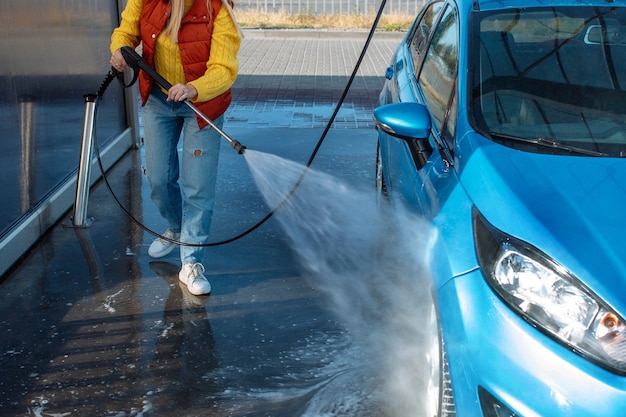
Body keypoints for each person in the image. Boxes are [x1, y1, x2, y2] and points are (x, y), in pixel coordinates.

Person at [109, 0, 242, 295]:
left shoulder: (217, 8)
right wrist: (119, 50)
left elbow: (224, 68)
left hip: (202, 103)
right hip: (159, 100)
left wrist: (194, 88)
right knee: (158, 177)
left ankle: (191, 261)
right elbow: (125, 31)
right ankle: (177, 229)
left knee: (197, 187)